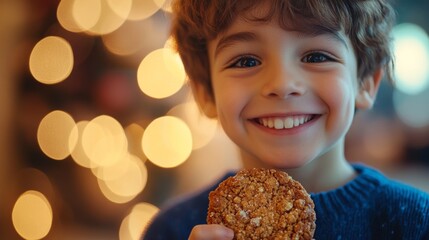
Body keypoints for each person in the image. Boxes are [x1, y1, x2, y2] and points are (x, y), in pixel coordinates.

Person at [143, 0, 429, 239]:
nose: (281, 84)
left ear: (365, 82)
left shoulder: (413, 221)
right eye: (246, 61)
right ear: (205, 92)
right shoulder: (172, 230)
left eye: (316, 56)